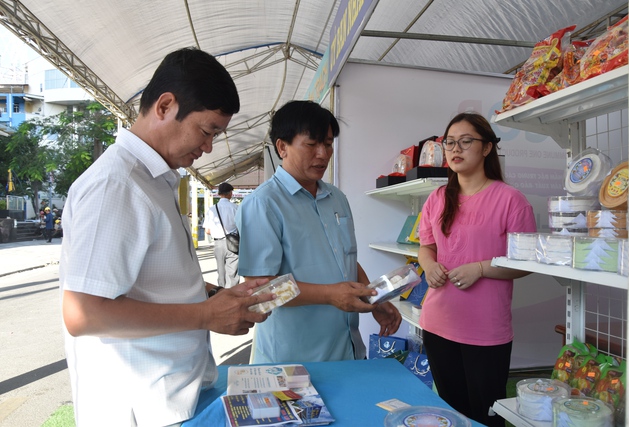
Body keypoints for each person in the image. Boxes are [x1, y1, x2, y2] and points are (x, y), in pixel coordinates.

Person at [59, 47, 275, 427]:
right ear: (165, 106)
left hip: (172, 396)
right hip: (139, 407)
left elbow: (151, 280)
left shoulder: (153, 180)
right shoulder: (117, 184)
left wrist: (214, 295)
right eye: (207, 131)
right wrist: (206, 314)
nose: (208, 147)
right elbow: (83, 313)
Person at [236, 100, 402, 364]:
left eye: (327, 143)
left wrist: (374, 299)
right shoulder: (263, 203)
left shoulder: (336, 197)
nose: (323, 154)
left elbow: (345, 260)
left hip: (347, 352)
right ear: (282, 147)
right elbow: (261, 290)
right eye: (311, 144)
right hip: (294, 361)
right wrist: (330, 295)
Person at [417, 112, 536, 427]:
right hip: (438, 323)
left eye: (465, 141)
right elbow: (426, 246)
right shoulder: (437, 198)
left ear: (486, 148)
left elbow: (525, 264)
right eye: (450, 143)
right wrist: (428, 265)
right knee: (451, 414)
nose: (456, 149)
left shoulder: (511, 200)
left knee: (486, 415)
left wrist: (482, 268)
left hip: (485, 330)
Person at [204, 182, 240, 288]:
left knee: (221, 272)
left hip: (218, 243)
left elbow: (207, 231)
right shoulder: (236, 208)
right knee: (232, 272)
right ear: (230, 193)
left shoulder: (211, 210)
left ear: (219, 194)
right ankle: (233, 294)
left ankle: (221, 294)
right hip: (233, 242)